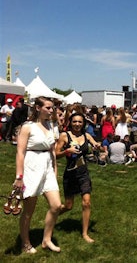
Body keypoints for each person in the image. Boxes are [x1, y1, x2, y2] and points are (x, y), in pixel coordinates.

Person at [14, 96, 62, 254]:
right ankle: (25, 242)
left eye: (52, 107)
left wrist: (54, 171)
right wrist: (19, 177)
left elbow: (52, 151)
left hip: (47, 167)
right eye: (48, 107)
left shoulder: (51, 125)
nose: (51, 110)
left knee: (56, 206)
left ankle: (46, 239)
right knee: (29, 209)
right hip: (31, 167)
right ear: (38, 108)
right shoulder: (28, 127)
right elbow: (20, 152)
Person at [56, 112, 101, 243]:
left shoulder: (86, 136)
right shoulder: (65, 136)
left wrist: (98, 146)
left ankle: (85, 233)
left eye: (80, 122)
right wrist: (66, 151)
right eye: (75, 121)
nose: (77, 124)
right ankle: (53, 216)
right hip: (70, 174)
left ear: (83, 123)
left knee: (86, 202)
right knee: (68, 206)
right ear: (70, 122)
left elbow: (95, 144)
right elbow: (55, 153)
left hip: (83, 173)